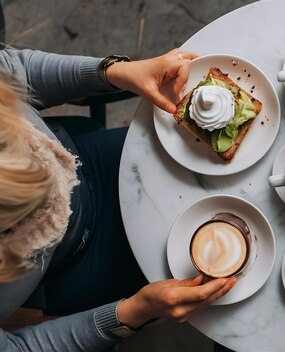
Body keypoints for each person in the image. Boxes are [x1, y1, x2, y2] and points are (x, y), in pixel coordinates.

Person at [0, 48, 236, 351]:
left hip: (85, 163)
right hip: (76, 265)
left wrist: (111, 72)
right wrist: (135, 311)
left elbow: (12, 68)